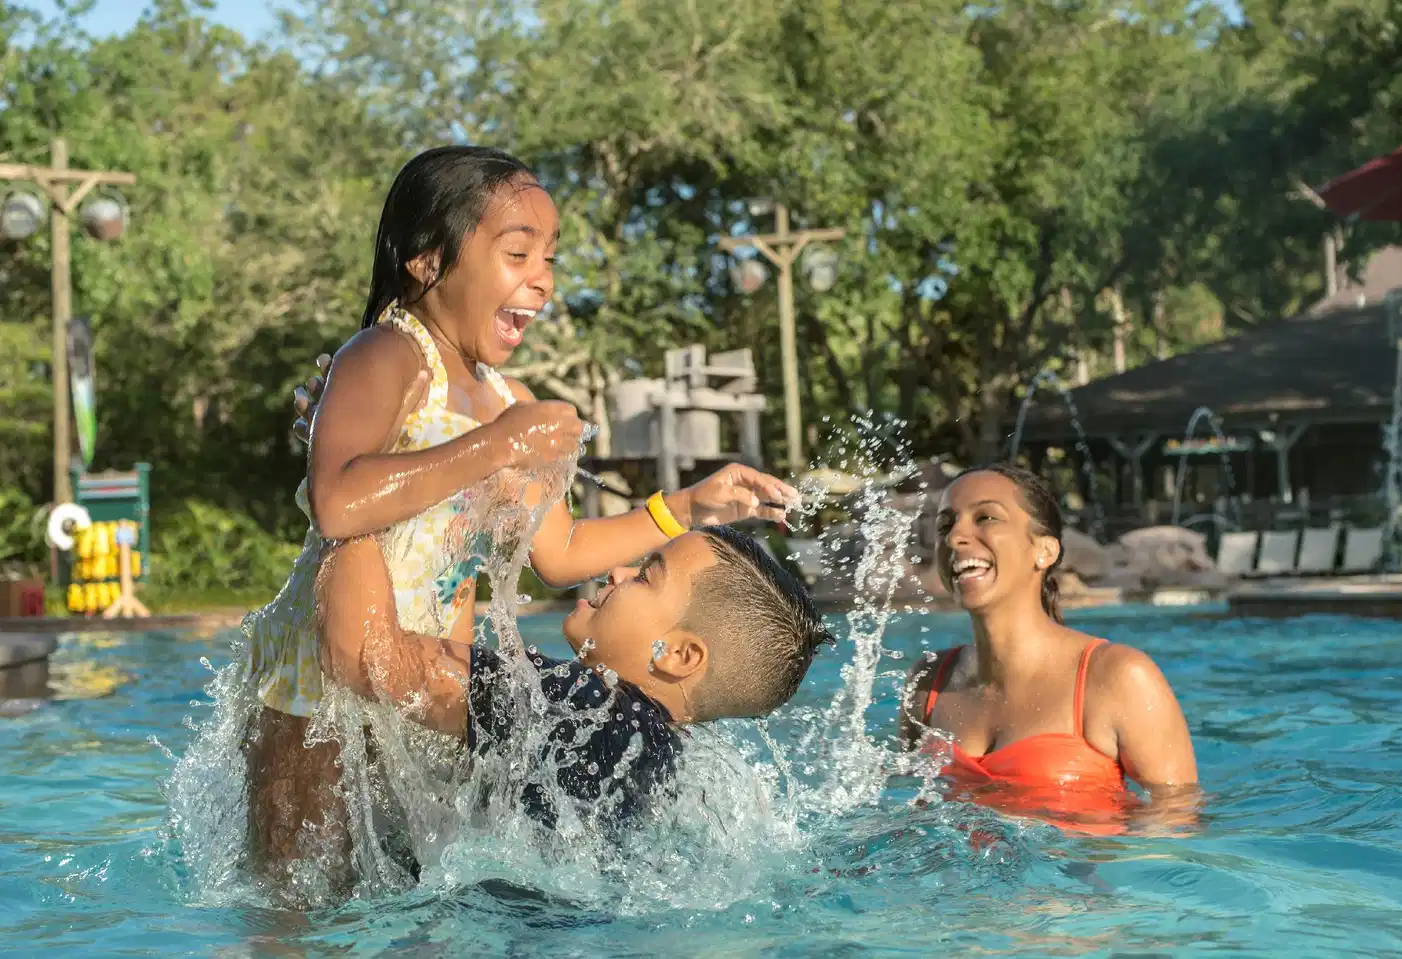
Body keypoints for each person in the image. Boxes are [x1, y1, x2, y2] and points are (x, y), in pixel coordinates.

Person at [242, 145, 797, 894]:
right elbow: (340, 501)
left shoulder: (508, 398)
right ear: (428, 260)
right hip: (317, 689)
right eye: (517, 252)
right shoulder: (385, 356)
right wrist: (493, 448)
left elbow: (563, 552)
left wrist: (685, 508)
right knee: (300, 903)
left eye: (550, 257)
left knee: (410, 895)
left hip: (418, 676)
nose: (542, 277)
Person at [316, 522, 832, 831]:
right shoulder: (660, 751)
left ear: (677, 654)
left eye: (647, 575)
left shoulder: (585, 705)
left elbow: (364, 656)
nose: (618, 572)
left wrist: (355, 500)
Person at [897, 464, 1198, 834]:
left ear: (1044, 550)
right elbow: (911, 816)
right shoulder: (927, 682)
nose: (956, 536)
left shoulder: (1117, 677)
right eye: (946, 525)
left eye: (986, 517)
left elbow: (1179, 824)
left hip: (1076, 888)